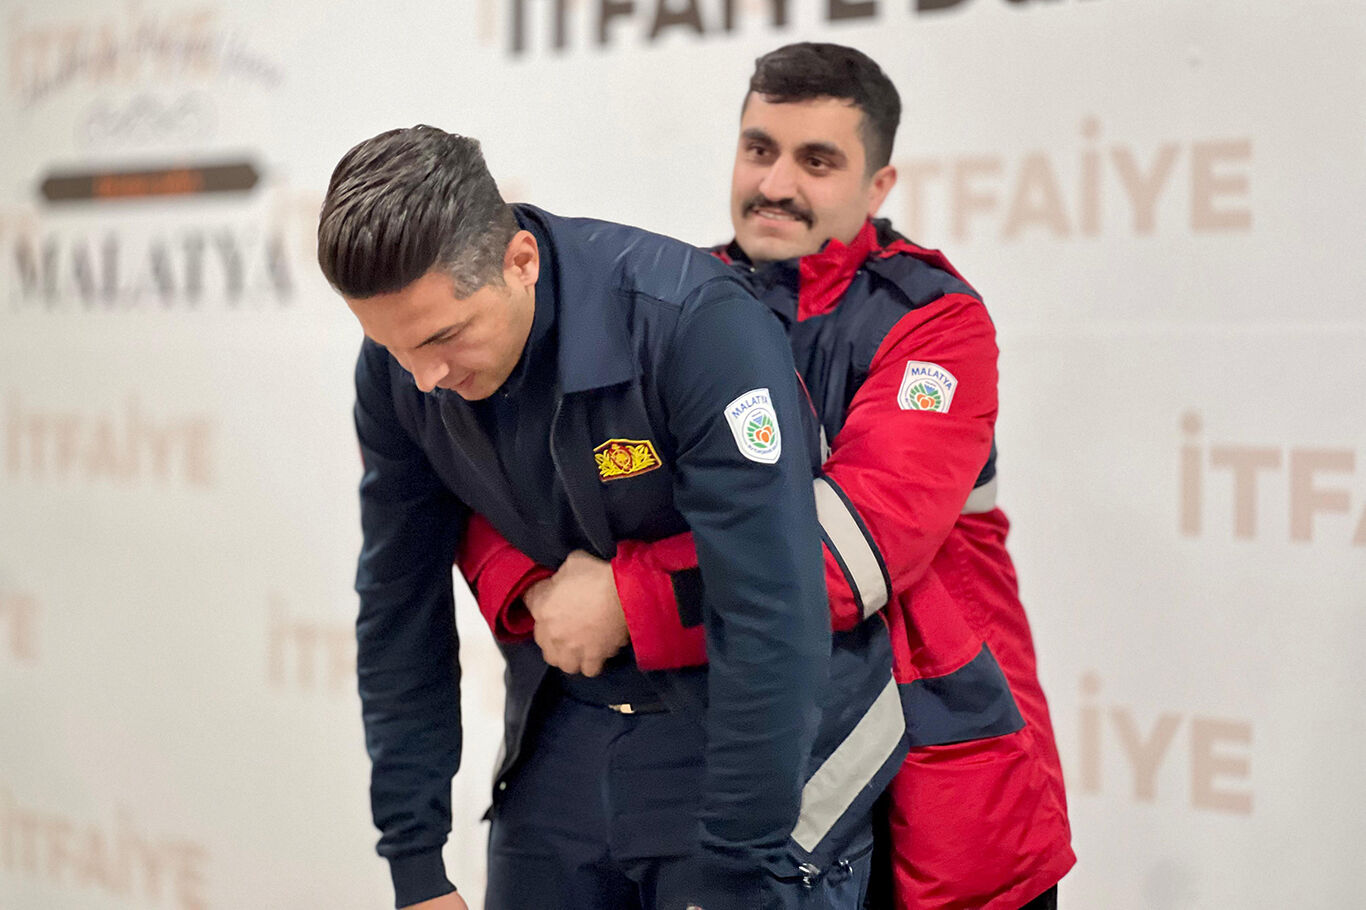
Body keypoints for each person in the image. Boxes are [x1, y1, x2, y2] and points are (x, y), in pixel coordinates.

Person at [460, 43, 1075, 908]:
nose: (775, 184)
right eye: (759, 149)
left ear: (879, 186)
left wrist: (625, 602)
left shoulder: (935, 326)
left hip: (927, 766)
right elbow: (510, 478)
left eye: (817, 161)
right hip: (731, 752)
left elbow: (845, 553)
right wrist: (532, 591)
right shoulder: (673, 300)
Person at [318, 124, 899, 910]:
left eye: (445, 337)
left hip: (748, 739)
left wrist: (740, 871)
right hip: (568, 724)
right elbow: (399, 606)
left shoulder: (693, 325)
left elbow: (770, 607)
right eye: (394, 348)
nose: (425, 378)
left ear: (520, 262)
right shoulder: (400, 372)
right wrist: (415, 866)